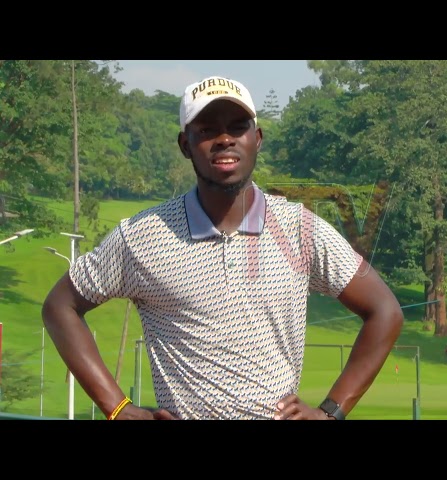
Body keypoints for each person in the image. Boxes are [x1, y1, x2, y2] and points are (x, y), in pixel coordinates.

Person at [41, 75, 404, 420]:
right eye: (207, 130)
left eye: (237, 127)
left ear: (257, 138)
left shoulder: (299, 229)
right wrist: (116, 407)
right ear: (186, 144)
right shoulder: (143, 235)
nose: (225, 139)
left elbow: (384, 310)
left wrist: (330, 411)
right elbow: (61, 306)